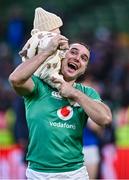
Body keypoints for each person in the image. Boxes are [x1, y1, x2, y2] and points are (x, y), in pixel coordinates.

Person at [9, 36, 112, 179]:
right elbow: (15, 80)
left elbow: (105, 118)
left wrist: (74, 93)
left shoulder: (87, 93)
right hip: (38, 173)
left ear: (84, 69)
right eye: (73, 52)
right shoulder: (39, 85)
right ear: (62, 55)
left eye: (83, 58)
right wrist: (46, 52)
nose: (77, 58)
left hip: (75, 173)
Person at [19, 7, 68, 90]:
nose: (59, 33)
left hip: (40, 71)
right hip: (47, 70)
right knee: (60, 84)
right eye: (57, 30)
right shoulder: (46, 38)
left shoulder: (36, 39)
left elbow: (26, 51)